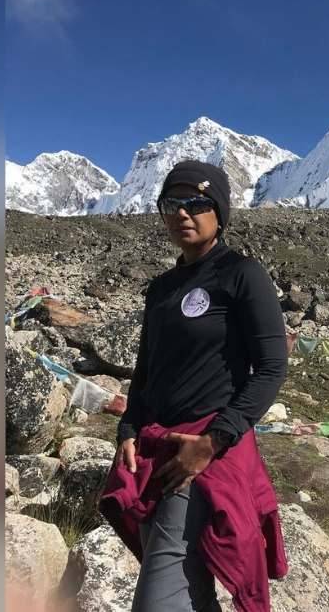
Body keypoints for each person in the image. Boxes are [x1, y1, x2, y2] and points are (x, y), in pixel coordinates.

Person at [106, 160, 288, 612]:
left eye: (197, 202)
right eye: (172, 203)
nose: (183, 213)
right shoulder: (161, 288)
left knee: (159, 600)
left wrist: (213, 441)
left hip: (205, 450)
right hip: (156, 449)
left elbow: (270, 368)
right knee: (187, 586)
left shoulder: (242, 274)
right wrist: (128, 428)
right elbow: (146, 368)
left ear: (219, 212)